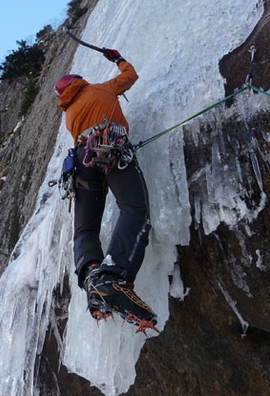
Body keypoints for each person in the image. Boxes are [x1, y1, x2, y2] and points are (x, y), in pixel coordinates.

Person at [54, 48, 157, 332]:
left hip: (81, 164)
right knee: (135, 209)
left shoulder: (70, 114)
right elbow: (130, 75)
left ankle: (92, 280)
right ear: (80, 81)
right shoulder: (101, 88)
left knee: (84, 231)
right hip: (109, 148)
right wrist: (118, 58)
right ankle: (112, 278)